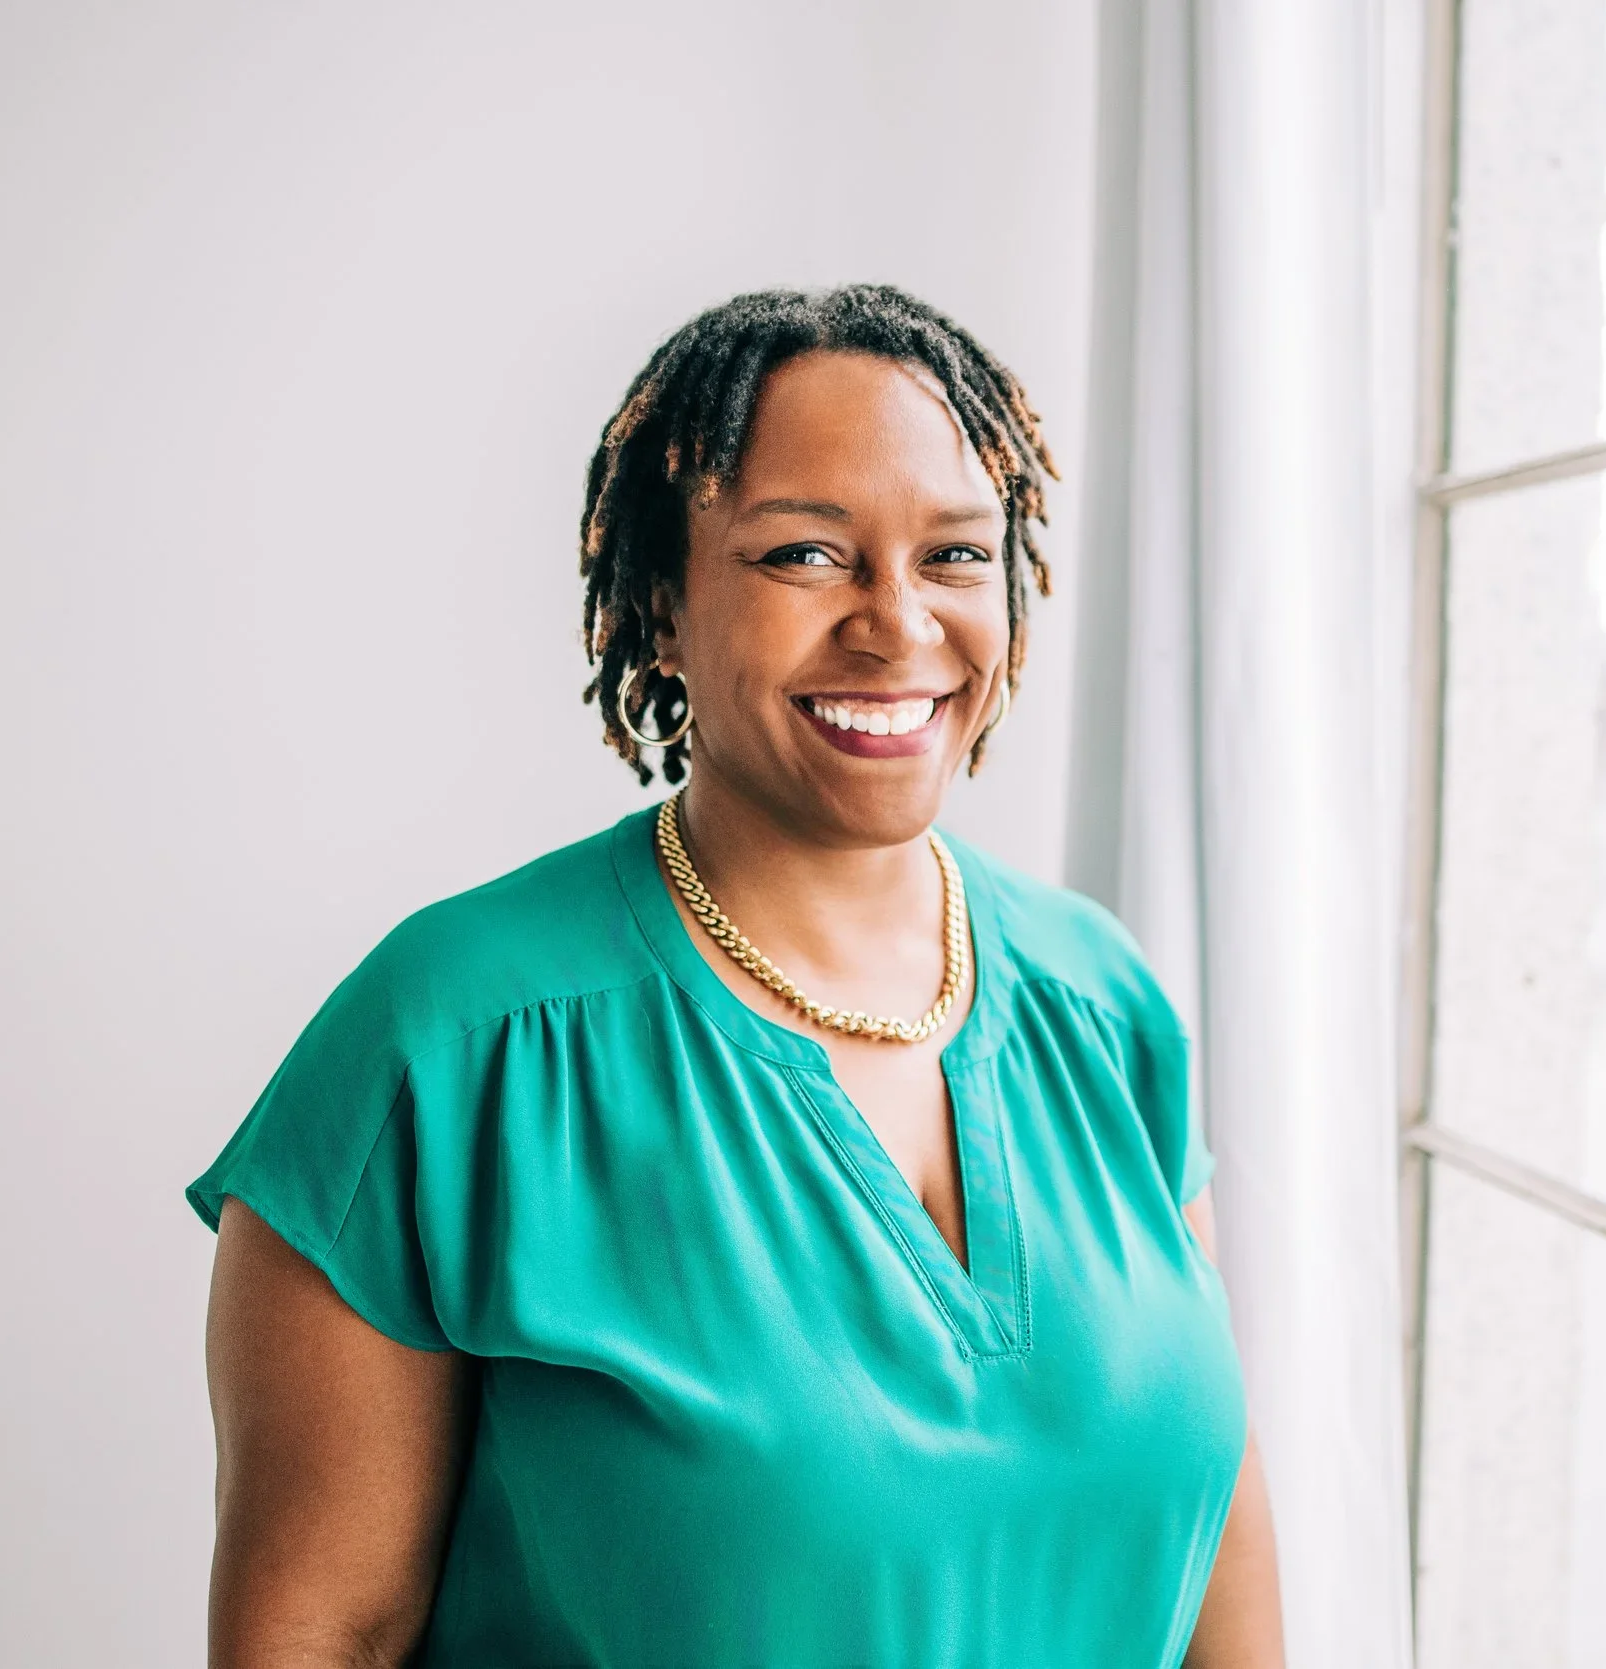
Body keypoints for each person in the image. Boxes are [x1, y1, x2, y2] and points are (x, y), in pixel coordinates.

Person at [191, 285, 1285, 1667]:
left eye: (955, 554)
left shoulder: (1103, 1003)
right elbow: (323, 1635)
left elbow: (1221, 1563)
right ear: (662, 604)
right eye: (806, 555)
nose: (898, 624)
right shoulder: (450, 1046)